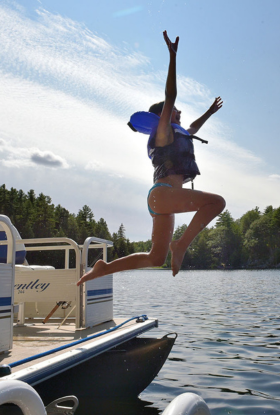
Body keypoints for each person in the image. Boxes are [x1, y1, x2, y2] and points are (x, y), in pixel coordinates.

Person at [77, 31, 225, 286]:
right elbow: (170, 97)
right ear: (164, 116)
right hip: (164, 194)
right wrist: (173, 57)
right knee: (216, 203)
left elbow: (192, 129)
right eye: (175, 112)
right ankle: (180, 245)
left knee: (156, 257)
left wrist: (209, 112)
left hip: (162, 199)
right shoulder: (163, 131)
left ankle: (104, 267)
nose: (178, 112)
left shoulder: (175, 133)